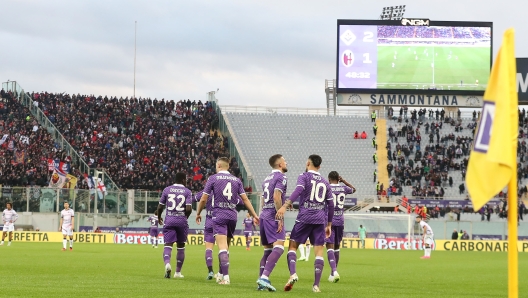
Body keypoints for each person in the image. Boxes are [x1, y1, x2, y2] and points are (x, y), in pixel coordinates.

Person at [196, 157, 260, 285]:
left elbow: (203, 199)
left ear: (219, 165)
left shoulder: (213, 178)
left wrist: (198, 213)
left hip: (219, 214)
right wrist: (255, 215)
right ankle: (220, 273)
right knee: (226, 247)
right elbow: (246, 200)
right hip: (232, 215)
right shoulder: (237, 180)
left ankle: (226, 278)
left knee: (222, 247)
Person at [283, 155, 334, 293]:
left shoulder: (304, 176)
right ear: (320, 166)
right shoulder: (325, 181)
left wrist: (286, 204)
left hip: (304, 217)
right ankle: (316, 285)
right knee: (318, 252)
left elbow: (298, 190)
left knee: (292, 246)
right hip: (319, 220)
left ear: (308, 163)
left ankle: (293, 274)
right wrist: (329, 224)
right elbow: (330, 204)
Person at [256, 154, 289, 291]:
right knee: (280, 247)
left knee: (267, 250)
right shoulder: (281, 177)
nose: (286, 162)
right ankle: (264, 278)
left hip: (264, 215)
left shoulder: (266, 179)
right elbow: (276, 197)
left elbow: (264, 200)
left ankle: (261, 283)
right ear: (280, 164)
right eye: (284, 160)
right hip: (272, 216)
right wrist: (279, 217)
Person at [157, 172, 193, 279]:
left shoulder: (167, 190)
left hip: (169, 220)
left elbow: (160, 207)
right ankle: (177, 272)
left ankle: (167, 263)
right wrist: (184, 218)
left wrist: (159, 217)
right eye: (185, 179)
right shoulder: (187, 191)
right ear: (183, 179)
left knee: (168, 245)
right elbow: (189, 209)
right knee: (181, 246)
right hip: (181, 220)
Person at [325, 172, 355, 283]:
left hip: (329, 220)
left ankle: (334, 271)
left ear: (329, 179)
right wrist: (344, 181)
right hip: (340, 220)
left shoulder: (327, 188)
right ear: (338, 178)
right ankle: (333, 273)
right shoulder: (343, 188)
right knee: (337, 247)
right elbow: (354, 189)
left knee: (329, 246)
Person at [193, 189, 218, 280]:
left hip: (209, 222)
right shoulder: (222, 190)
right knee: (223, 248)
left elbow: (194, 199)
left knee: (208, 249)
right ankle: (222, 273)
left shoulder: (205, 192)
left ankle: (210, 271)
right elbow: (241, 202)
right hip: (221, 221)